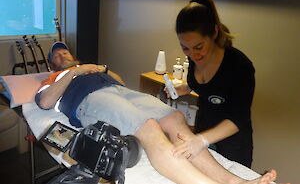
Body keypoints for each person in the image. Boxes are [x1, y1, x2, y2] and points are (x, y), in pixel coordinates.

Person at [35, 41, 282, 184]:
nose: (61, 55)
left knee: (174, 118)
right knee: (149, 127)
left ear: (73, 55)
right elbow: (45, 102)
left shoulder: (93, 68)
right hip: (91, 100)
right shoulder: (52, 79)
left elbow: (120, 82)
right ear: (51, 65)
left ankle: (235, 182)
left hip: (120, 92)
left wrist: (99, 68)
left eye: (64, 52)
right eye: (56, 56)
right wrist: (75, 72)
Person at [172, 0, 255, 167]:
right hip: (203, 129)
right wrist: (186, 88)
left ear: (214, 32)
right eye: (185, 48)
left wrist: (201, 140)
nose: (192, 55)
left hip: (233, 144)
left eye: (198, 47)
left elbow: (238, 119)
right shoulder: (195, 58)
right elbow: (209, 87)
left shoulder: (240, 67)